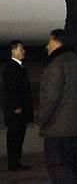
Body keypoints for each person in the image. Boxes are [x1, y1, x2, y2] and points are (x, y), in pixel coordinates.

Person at [38, 29, 77, 183]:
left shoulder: (57, 64)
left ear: (57, 41)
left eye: (49, 41)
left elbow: (50, 98)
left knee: (57, 167)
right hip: (74, 126)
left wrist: (42, 119)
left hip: (57, 127)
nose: (47, 46)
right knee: (68, 165)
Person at [3, 40, 33, 171]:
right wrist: (15, 106)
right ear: (13, 51)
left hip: (19, 109)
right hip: (16, 110)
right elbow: (9, 89)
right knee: (15, 137)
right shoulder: (11, 67)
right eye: (21, 49)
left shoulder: (18, 66)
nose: (23, 51)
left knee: (18, 137)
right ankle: (14, 163)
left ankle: (16, 162)